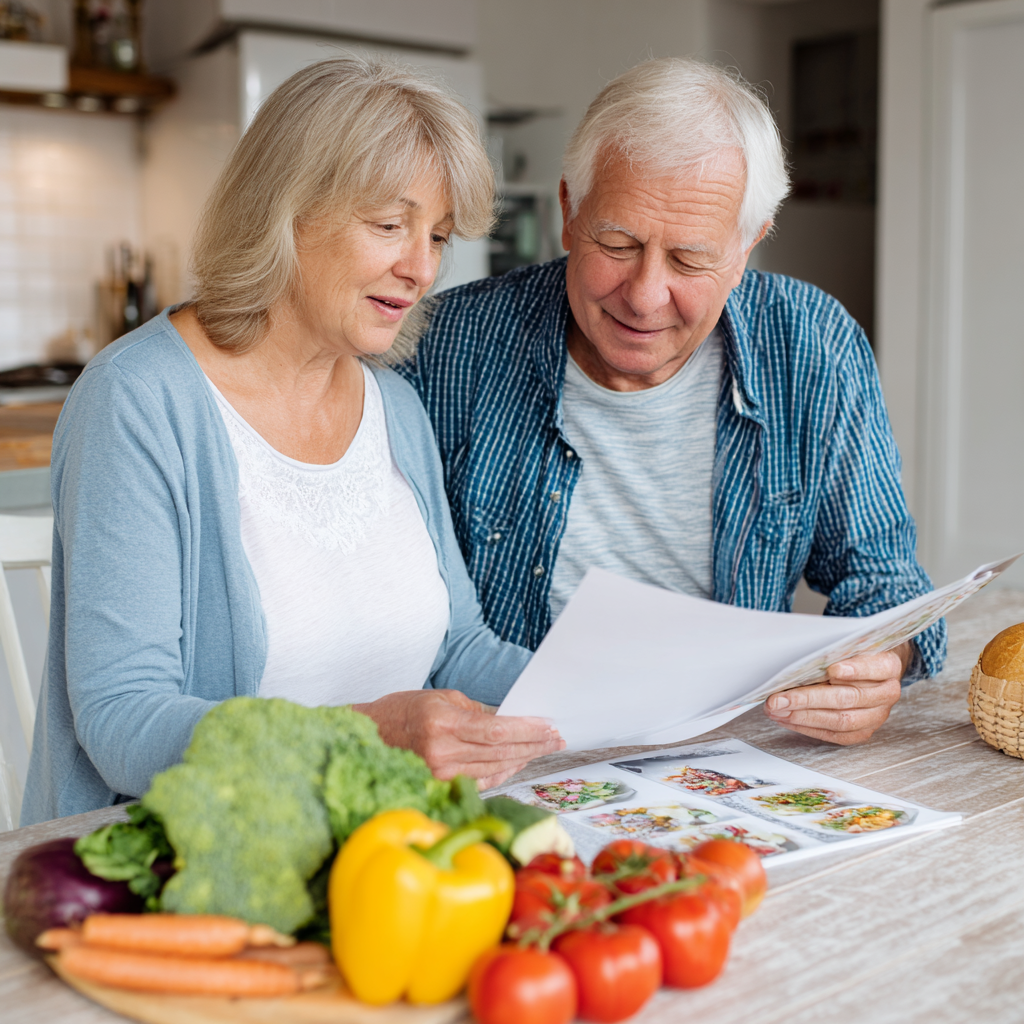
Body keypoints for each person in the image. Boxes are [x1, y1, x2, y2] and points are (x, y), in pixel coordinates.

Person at [22, 57, 563, 825]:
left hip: (382, 842)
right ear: (286, 209)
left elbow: (459, 648)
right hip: (202, 862)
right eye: (388, 226)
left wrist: (601, 691)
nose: (420, 268)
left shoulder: (397, 408)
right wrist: (357, 736)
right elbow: (123, 720)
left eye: (437, 237)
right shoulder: (139, 398)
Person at [401, 58, 947, 747]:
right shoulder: (446, 346)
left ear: (749, 244)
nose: (645, 294)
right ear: (570, 212)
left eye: (690, 260)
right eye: (618, 243)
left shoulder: (813, 346)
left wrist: (877, 666)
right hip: (505, 753)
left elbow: (887, 581)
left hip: (724, 757)